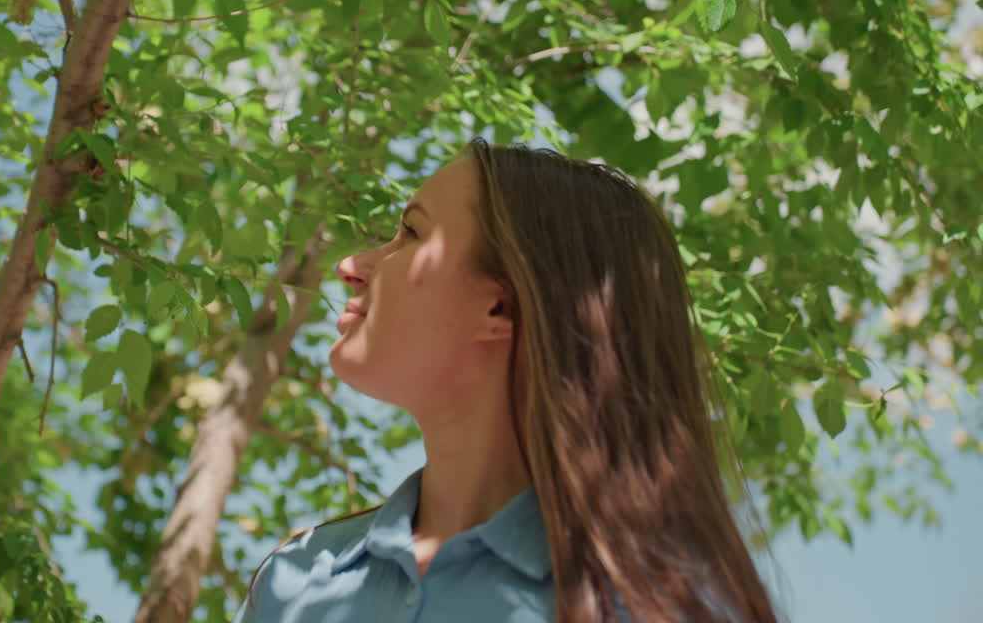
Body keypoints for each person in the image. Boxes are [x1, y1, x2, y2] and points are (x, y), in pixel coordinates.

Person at [231, 138, 780, 623]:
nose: (351, 263)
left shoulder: (651, 606)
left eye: (411, 233)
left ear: (500, 305)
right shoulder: (296, 579)